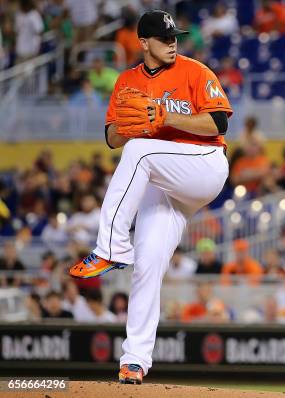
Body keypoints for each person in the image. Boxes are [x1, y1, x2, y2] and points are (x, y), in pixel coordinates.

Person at [68, 10, 232, 385]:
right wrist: (134, 124)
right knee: (148, 264)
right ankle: (135, 360)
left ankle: (110, 247)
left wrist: (161, 118)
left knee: (141, 150)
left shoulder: (195, 71)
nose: (172, 42)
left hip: (203, 166)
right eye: (164, 37)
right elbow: (112, 138)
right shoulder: (127, 81)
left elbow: (219, 123)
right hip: (162, 180)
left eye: (175, 36)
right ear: (143, 43)